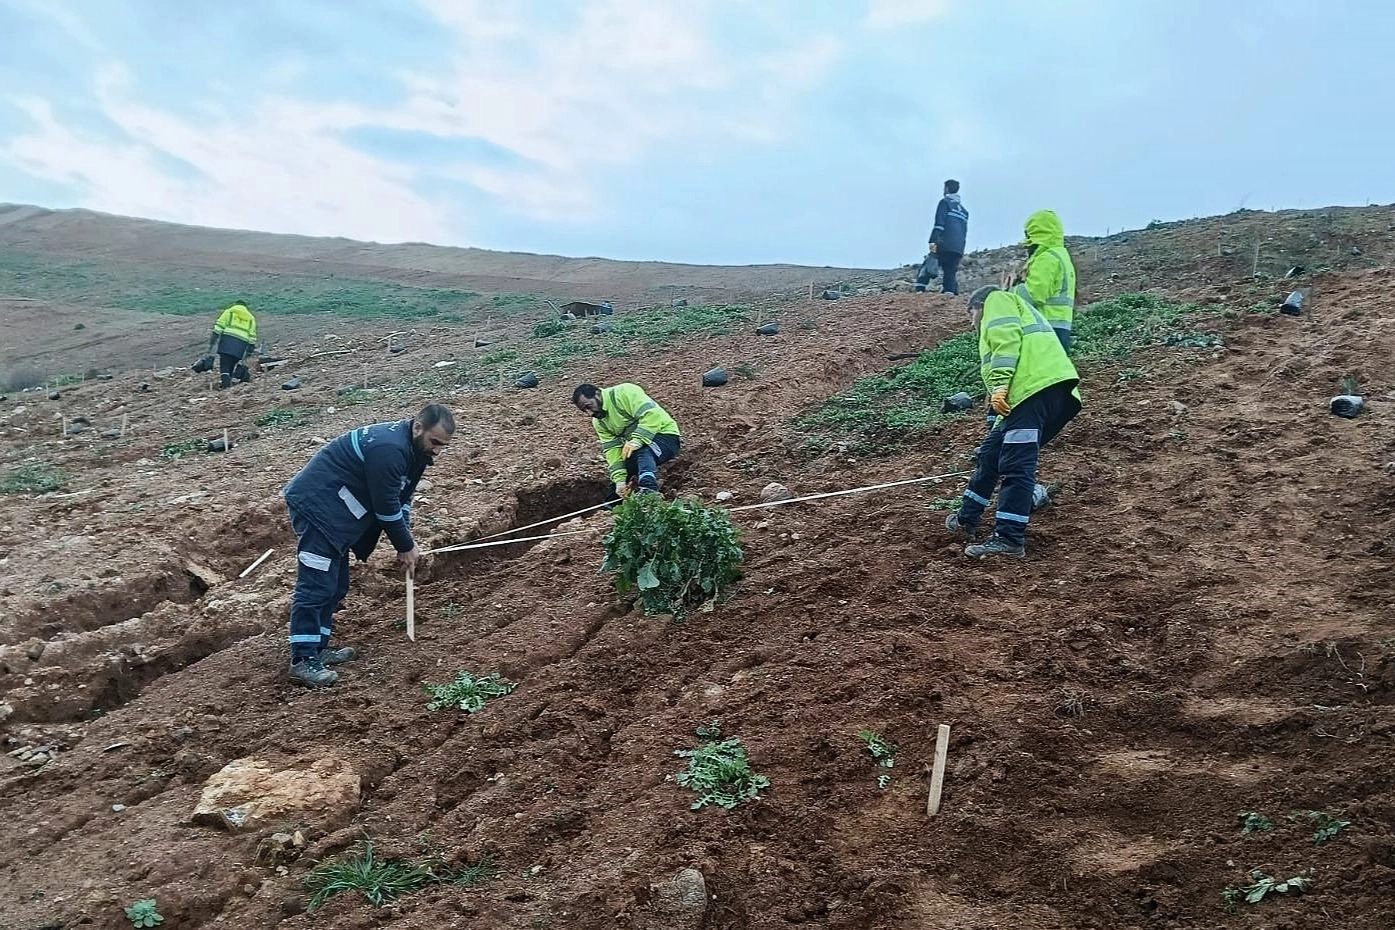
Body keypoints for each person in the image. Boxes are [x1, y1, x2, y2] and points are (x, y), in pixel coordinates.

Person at [281, 403, 456, 686]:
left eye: (443, 446)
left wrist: (405, 539)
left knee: (336, 585)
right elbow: (385, 506)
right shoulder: (390, 449)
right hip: (318, 509)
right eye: (435, 442)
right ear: (417, 427)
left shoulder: (416, 452)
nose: (437, 451)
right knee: (316, 585)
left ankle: (318, 648)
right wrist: (404, 546)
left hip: (337, 514)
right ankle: (302, 659)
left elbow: (402, 499)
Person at [945, 286, 1080, 559]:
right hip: (1036, 395)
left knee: (1016, 465)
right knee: (991, 453)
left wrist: (999, 385)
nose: (972, 324)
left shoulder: (996, 300)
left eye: (971, 315)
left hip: (1033, 391)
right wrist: (997, 419)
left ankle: (1009, 539)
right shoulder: (1016, 308)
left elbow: (1005, 341)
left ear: (979, 305)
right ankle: (966, 519)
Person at [572, 383, 681, 500]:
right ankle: (610, 505)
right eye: (585, 411)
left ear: (597, 394)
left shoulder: (624, 392)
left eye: (589, 406)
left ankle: (649, 490)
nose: (590, 413)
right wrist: (619, 480)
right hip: (638, 445)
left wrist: (638, 440)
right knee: (623, 473)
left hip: (666, 436)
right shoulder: (599, 422)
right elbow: (612, 450)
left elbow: (651, 414)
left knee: (642, 451)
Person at [1012, 210, 1076, 351]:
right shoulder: (1061, 255)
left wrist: (1010, 292)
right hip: (1059, 328)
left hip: (1045, 328)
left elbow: (1032, 295)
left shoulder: (1047, 258)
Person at [920, 179, 969, 295]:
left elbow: (939, 224)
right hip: (958, 247)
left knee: (930, 262)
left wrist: (933, 240)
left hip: (943, 242)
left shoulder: (944, 203)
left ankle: (920, 289)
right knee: (950, 271)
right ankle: (949, 292)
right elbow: (964, 230)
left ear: (946, 188)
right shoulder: (964, 211)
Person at [208, 299, 258, 389]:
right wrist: (249, 352)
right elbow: (252, 337)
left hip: (227, 341)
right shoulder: (251, 318)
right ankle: (228, 383)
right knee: (231, 363)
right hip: (241, 345)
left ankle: (226, 386)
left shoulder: (229, 312)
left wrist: (212, 342)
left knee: (224, 365)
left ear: (235, 304)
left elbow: (218, 327)